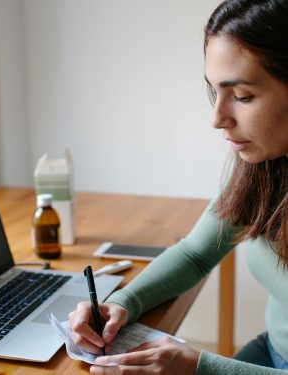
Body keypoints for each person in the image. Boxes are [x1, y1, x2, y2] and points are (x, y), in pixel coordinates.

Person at [68, 0, 288, 373]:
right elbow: (195, 255)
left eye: (243, 96)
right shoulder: (267, 165)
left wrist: (199, 367)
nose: (217, 118)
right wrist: (122, 302)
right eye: (214, 91)